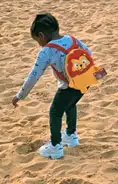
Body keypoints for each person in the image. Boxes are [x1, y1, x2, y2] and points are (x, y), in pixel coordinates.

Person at [12, 13, 96, 160]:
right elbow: (88, 53)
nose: (39, 43)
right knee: (70, 105)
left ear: (41, 35)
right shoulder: (72, 39)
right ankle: (71, 135)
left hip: (67, 87)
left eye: (37, 40)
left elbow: (34, 76)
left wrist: (20, 95)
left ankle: (55, 146)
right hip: (84, 81)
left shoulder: (47, 51)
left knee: (55, 112)